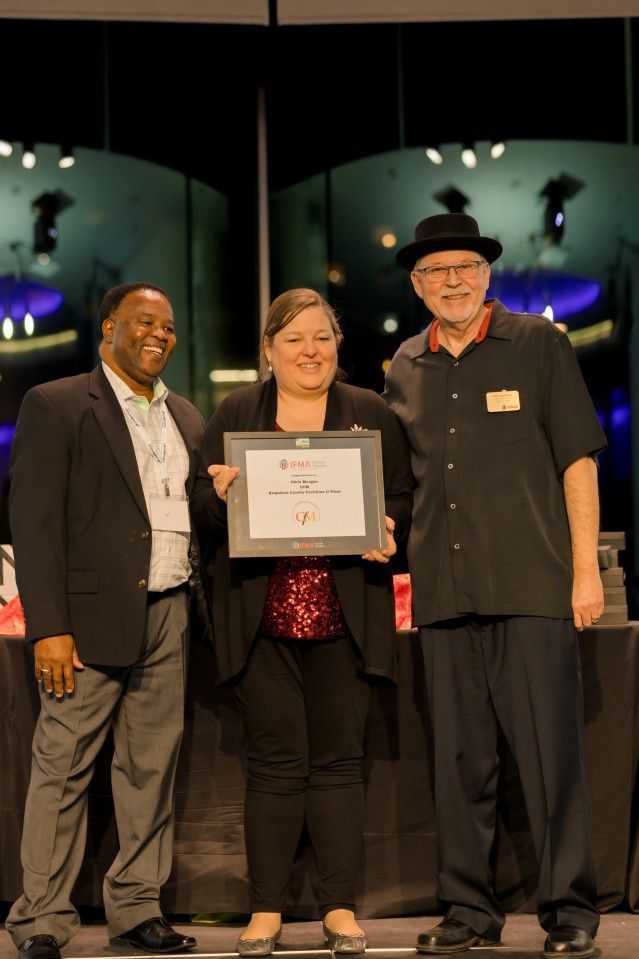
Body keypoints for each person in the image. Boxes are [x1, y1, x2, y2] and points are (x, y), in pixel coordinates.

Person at [384, 213, 606, 959]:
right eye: (436, 271)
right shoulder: (402, 366)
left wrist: (583, 571)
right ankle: (467, 911)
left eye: (464, 267)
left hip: (532, 586)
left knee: (550, 760)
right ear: (417, 286)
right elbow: (398, 486)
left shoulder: (538, 344)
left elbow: (577, 458)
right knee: (458, 762)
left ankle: (569, 912)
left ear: (486, 276)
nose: (451, 281)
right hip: (442, 596)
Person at [190, 287, 413, 956]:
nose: (308, 350)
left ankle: (338, 908)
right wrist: (221, 494)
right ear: (268, 349)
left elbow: (400, 494)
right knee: (275, 764)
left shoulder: (370, 413)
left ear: (336, 344)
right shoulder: (234, 411)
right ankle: (265, 911)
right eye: (292, 339)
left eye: (320, 336)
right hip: (262, 616)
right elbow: (198, 500)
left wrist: (387, 527)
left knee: (341, 764)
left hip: (344, 615)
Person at [6, 282, 205, 959]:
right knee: (61, 768)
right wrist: (48, 627)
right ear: (110, 328)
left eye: (169, 325)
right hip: (85, 624)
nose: (159, 334)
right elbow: (33, 525)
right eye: (145, 321)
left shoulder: (185, 414)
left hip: (170, 610)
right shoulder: (58, 404)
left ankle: (137, 909)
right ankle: (39, 917)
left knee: (150, 770)